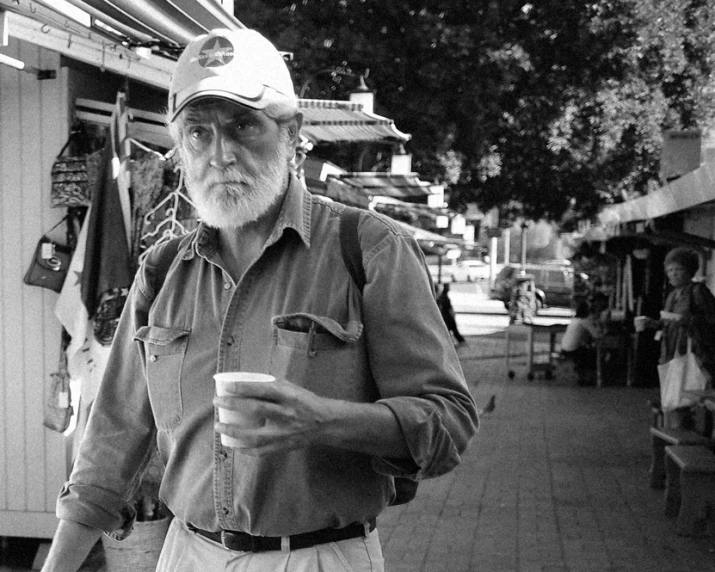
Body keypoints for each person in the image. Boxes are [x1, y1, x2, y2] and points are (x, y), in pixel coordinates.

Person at [41, 28, 478, 572]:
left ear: (292, 132)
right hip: (187, 554)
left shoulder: (368, 247)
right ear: (179, 148)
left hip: (320, 556)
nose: (220, 154)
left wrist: (325, 421)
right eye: (198, 133)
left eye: (243, 125)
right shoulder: (161, 270)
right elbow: (111, 442)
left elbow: (448, 422)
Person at [636, 247, 715, 427]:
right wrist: (652, 323)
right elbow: (667, 323)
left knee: (689, 399)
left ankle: (687, 439)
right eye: (670, 270)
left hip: (693, 354)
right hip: (672, 354)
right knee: (674, 399)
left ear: (689, 271)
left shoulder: (698, 291)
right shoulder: (672, 295)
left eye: (678, 270)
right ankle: (673, 437)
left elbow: (711, 318)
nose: (672, 274)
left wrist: (687, 320)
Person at [560, 301, 600, 386]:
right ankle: (588, 376)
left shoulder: (575, 320)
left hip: (565, 347)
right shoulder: (584, 321)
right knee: (593, 354)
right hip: (573, 349)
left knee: (587, 350)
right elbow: (596, 335)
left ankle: (583, 374)